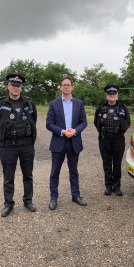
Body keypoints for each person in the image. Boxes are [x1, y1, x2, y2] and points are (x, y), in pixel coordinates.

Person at [0, 74, 38, 217]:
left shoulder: (28, 103)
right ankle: (8, 204)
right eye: (13, 85)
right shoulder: (0, 104)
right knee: (8, 176)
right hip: (8, 145)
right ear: (8, 86)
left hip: (26, 144)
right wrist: (2, 136)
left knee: (28, 175)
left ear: (21, 87)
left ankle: (28, 201)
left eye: (18, 86)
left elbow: (33, 119)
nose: (16, 88)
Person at [46, 76, 88, 210]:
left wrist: (74, 131)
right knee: (55, 172)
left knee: (74, 171)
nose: (66, 87)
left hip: (74, 142)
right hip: (59, 141)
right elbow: (49, 124)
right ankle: (53, 198)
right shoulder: (54, 103)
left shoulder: (79, 103)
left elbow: (84, 122)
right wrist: (63, 131)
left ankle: (75, 196)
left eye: (68, 84)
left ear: (72, 87)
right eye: (63, 84)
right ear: (60, 87)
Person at [94, 85, 131, 196]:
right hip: (104, 139)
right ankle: (108, 186)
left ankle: (117, 186)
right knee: (107, 164)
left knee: (117, 163)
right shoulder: (101, 108)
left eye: (114, 94)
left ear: (116, 95)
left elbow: (127, 122)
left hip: (118, 139)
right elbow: (96, 122)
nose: (112, 96)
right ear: (107, 95)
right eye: (110, 94)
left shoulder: (123, 108)